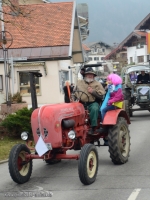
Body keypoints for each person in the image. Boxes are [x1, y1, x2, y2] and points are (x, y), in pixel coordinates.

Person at [75, 67, 105, 134]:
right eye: (88, 74)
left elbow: (101, 96)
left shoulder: (97, 84)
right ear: (85, 75)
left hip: (92, 103)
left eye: (91, 74)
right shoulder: (79, 83)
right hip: (81, 103)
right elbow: (75, 92)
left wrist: (93, 92)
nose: (90, 75)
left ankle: (93, 127)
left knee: (95, 108)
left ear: (94, 76)